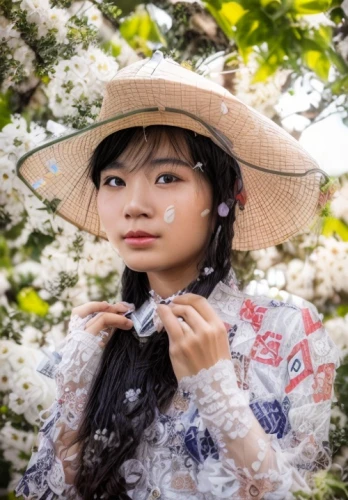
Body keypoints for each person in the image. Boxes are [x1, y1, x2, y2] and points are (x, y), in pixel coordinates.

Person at [14, 51, 341, 500]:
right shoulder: (95, 342)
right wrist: (73, 400)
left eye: (167, 177)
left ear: (227, 195)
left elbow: (302, 494)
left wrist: (217, 390)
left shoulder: (285, 327)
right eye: (114, 181)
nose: (134, 204)